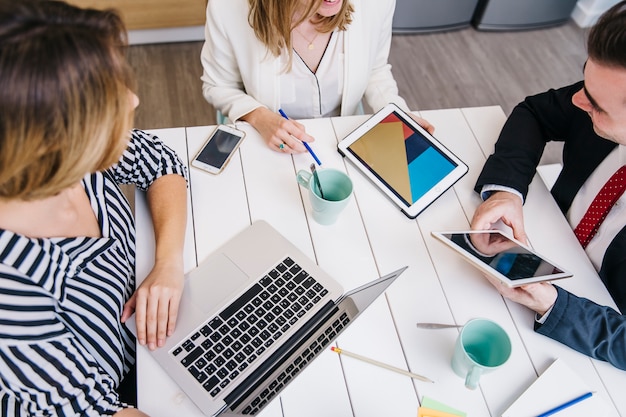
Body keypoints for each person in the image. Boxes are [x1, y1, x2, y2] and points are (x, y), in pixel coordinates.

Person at [0, 1, 187, 415]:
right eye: (110, 97)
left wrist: (168, 263)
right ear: (54, 138)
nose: (134, 99)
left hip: (153, 349)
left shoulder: (75, 162)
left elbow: (160, 162)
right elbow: (99, 410)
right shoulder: (10, 295)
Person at [471, 0, 626, 370]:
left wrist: (554, 304)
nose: (577, 100)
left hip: (584, 346)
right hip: (543, 238)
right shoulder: (604, 88)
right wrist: (506, 190)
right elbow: (536, 112)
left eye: (597, 106)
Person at [200, 0, 433, 153]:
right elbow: (218, 85)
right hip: (269, 145)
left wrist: (396, 113)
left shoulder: (376, 4)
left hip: (344, 137)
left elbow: (376, 69)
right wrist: (261, 118)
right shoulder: (227, 8)